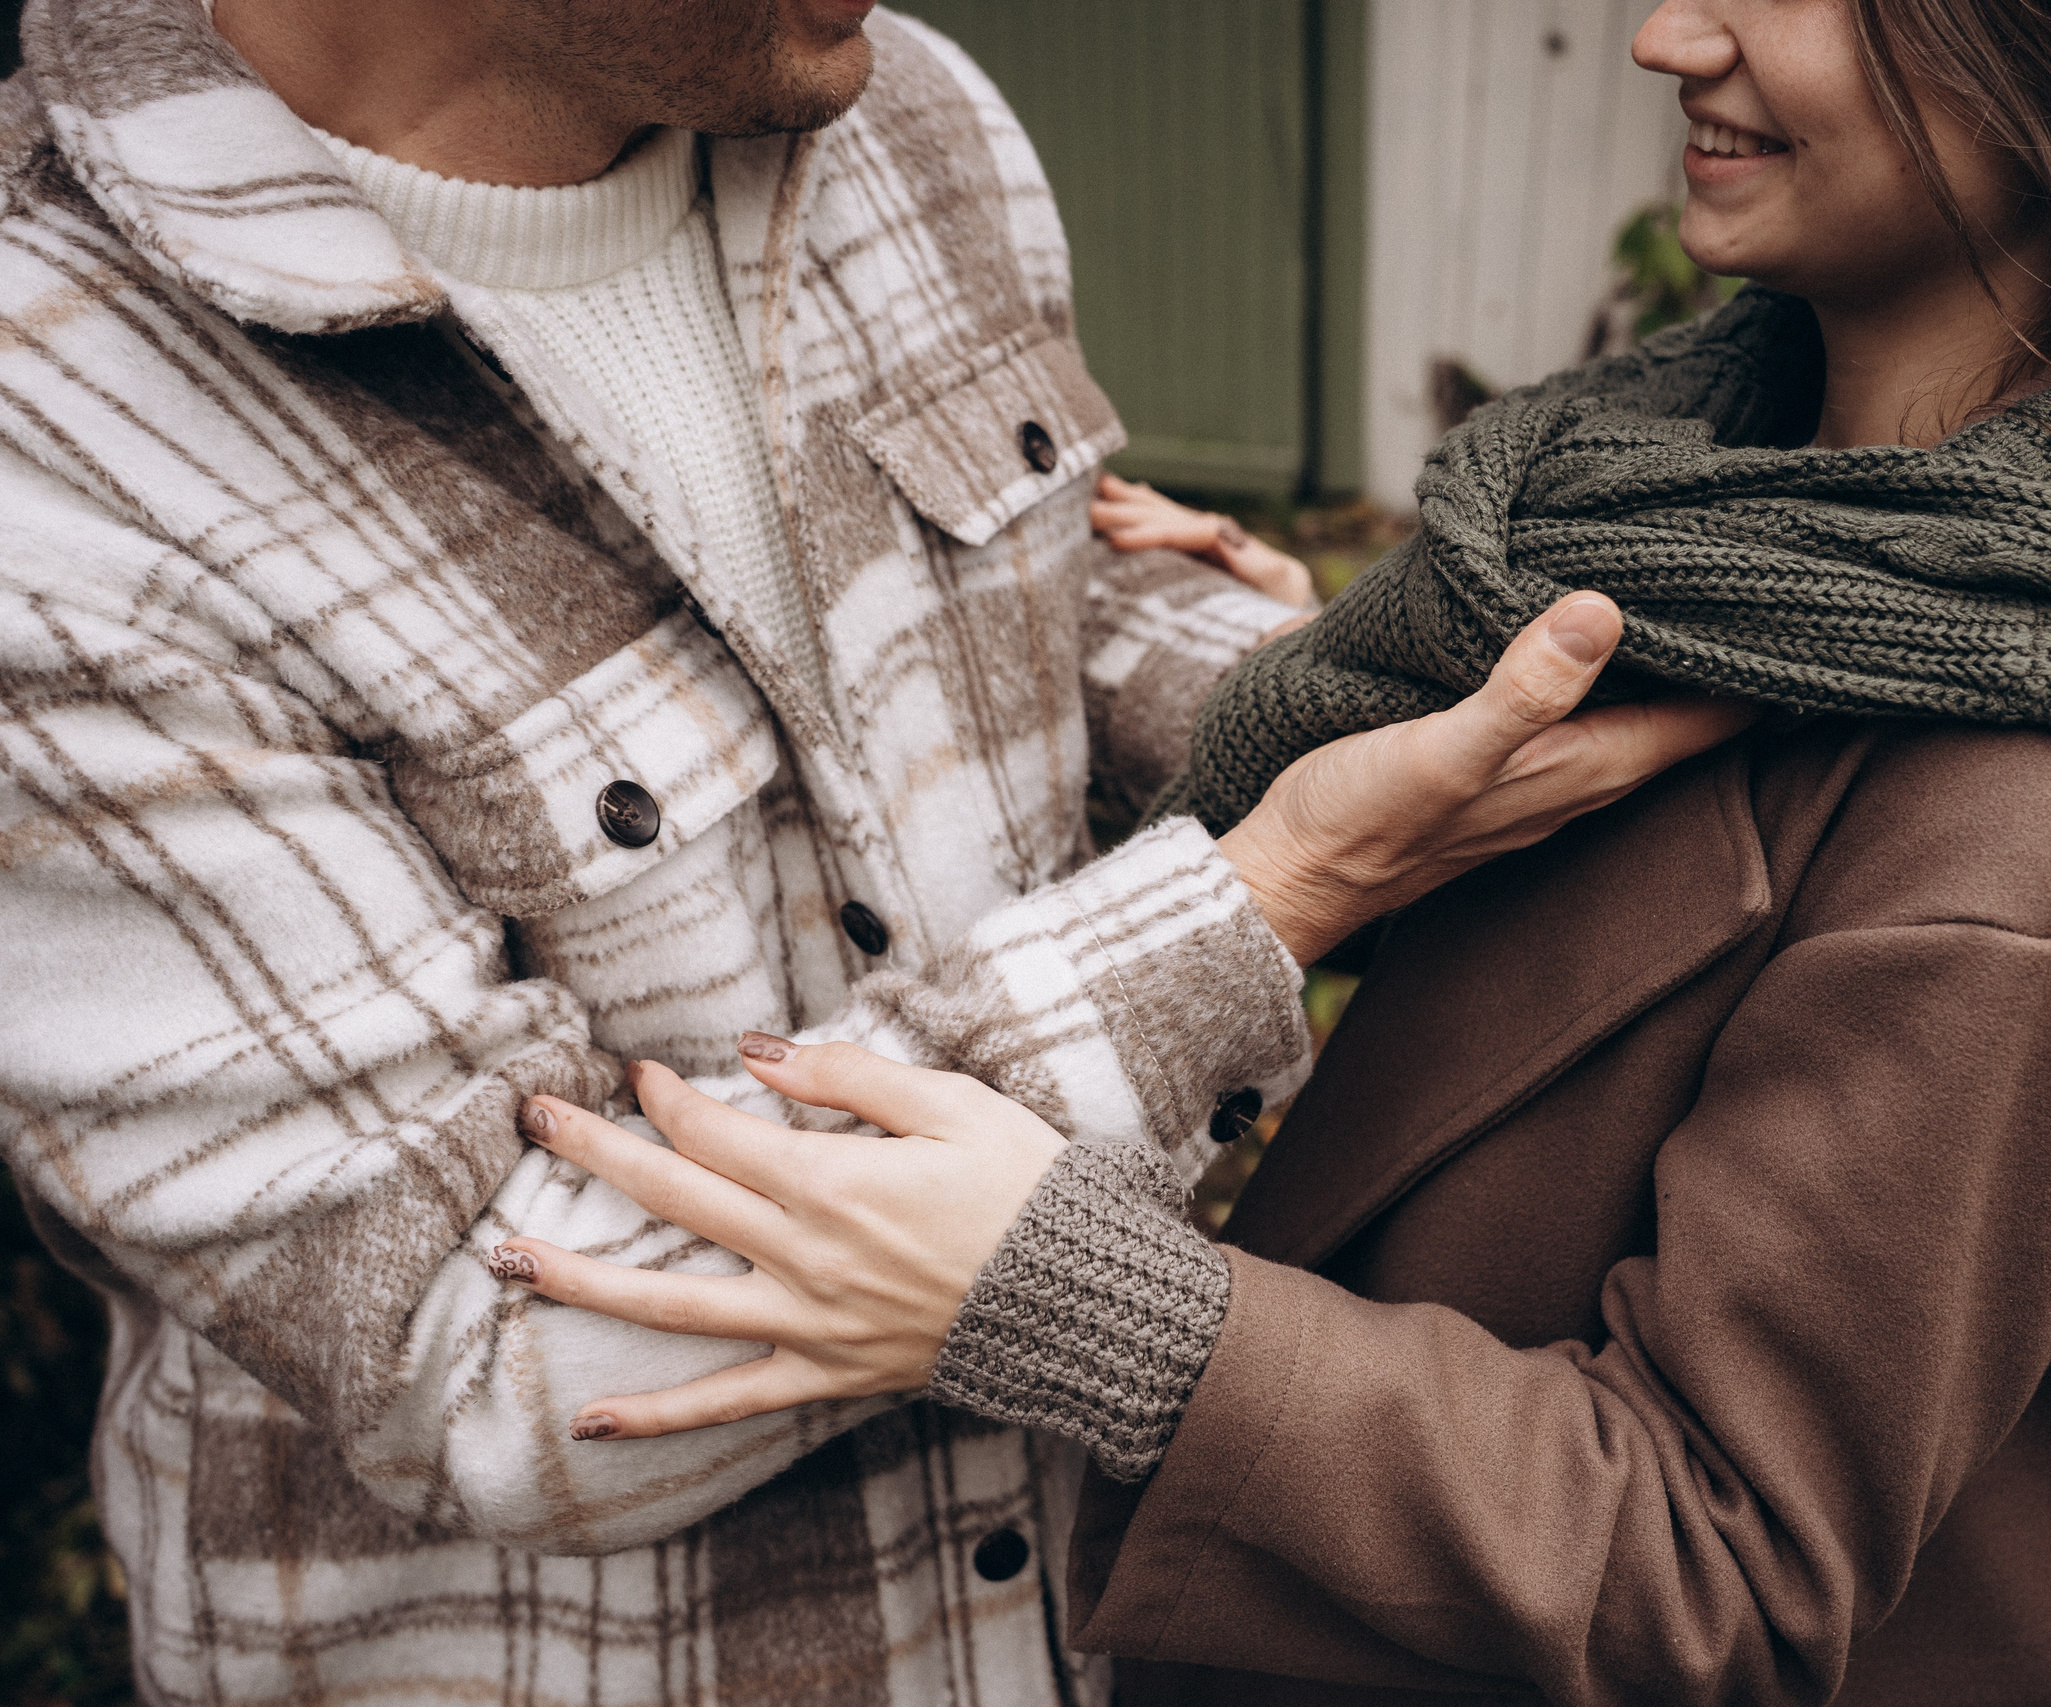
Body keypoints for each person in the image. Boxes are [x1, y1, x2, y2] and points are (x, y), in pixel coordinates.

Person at [477, 0, 2051, 1702]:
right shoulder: (1718, 525)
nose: (1668, 35)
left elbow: (1709, 1560)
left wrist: (1078, 1302)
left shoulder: (2048, 836)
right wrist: (1294, 671)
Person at [0, 0, 1740, 1703]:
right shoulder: (54, 440)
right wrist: (1270, 893)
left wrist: (1359, 694)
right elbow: (495, 1355)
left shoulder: (907, 117)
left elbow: (1034, 608)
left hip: (1069, 1620)